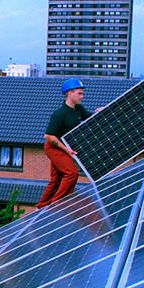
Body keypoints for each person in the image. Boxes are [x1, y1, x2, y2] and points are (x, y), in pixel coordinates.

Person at [36, 78, 93, 209]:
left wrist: (98, 111)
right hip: (54, 147)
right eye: (79, 93)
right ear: (70, 94)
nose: (82, 96)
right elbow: (48, 136)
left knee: (56, 180)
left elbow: (89, 118)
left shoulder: (78, 109)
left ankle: (42, 205)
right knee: (71, 173)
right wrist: (66, 150)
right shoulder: (59, 114)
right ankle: (58, 203)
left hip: (63, 147)